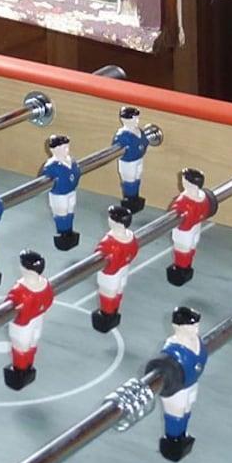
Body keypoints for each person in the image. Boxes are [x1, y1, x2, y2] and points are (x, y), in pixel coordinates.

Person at [147, 306, 208, 462]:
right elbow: (165, 366)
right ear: (179, 327)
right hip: (178, 388)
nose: (195, 328)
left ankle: (182, 435)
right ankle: (173, 440)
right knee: (177, 413)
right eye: (191, 325)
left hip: (191, 382)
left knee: (187, 408)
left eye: (196, 325)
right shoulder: (172, 348)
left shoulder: (196, 341)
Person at [3, 250, 54, 391]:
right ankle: (28, 366)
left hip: (23, 324)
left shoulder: (20, 290)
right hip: (38, 319)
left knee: (20, 346)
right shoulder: (45, 284)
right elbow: (49, 300)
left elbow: (10, 304)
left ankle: (19, 370)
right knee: (32, 342)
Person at [91, 203, 139, 333]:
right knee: (118, 290)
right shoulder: (130, 236)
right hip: (124, 268)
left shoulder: (109, 242)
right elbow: (134, 251)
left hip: (111, 273)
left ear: (116, 222)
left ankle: (106, 314)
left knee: (108, 292)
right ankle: (114, 310)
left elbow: (100, 254)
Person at [166, 168, 217, 286]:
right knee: (191, 246)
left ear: (188, 183)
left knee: (182, 248)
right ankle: (187, 266)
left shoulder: (182, 201)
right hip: (196, 227)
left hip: (185, 231)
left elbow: (174, 211)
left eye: (183, 179)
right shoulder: (202, 196)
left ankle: (180, 268)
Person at [41, 135, 83, 250]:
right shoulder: (51, 166)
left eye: (67, 147)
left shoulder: (71, 161)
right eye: (63, 148)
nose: (67, 150)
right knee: (62, 212)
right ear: (54, 150)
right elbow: (43, 179)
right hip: (59, 194)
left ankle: (69, 230)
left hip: (71, 191)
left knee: (70, 210)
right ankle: (63, 233)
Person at [111, 105, 149, 213]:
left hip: (138, 159)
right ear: (124, 119)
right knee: (130, 180)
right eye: (133, 118)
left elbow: (145, 141)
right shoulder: (122, 135)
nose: (136, 120)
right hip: (128, 162)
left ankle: (135, 197)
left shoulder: (139, 131)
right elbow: (116, 147)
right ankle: (129, 199)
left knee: (137, 177)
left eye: (137, 118)